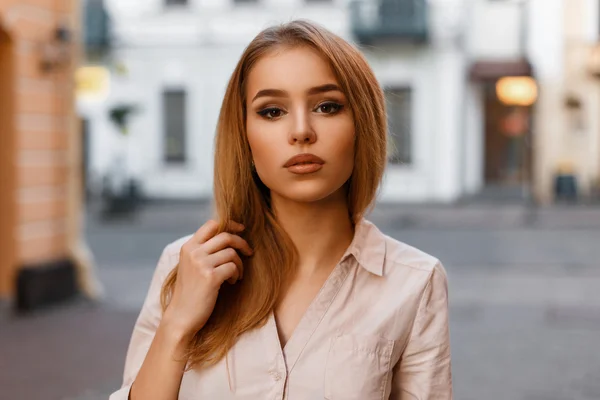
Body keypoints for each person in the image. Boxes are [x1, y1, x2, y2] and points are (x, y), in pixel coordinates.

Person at [110, 20, 452, 400]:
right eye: (272, 111)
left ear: (362, 124)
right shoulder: (183, 265)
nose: (301, 131)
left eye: (327, 106)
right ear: (243, 134)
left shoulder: (414, 282)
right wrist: (177, 324)